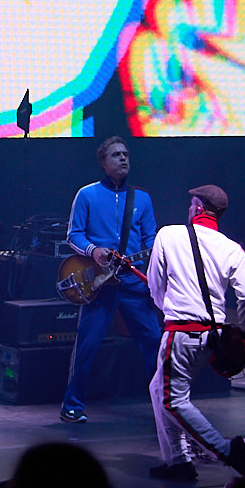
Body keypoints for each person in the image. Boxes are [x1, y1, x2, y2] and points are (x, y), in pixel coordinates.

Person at [145, 184, 245, 480]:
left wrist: (168, 308)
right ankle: (178, 461)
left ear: (196, 206)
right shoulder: (232, 248)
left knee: (173, 399)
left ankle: (225, 450)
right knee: (159, 390)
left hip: (180, 332)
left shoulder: (168, 235)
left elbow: (156, 285)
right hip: (213, 335)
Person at [59, 136, 162, 423]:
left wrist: (154, 257)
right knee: (87, 346)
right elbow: (74, 235)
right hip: (99, 285)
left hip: (132, 284)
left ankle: (166, 405)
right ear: (103, 163)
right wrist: (94, 251)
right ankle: (72, 406)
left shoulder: (142, 199)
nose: (124, 159)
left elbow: (152, 238)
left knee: (154, 342)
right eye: (116, 155)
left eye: (126, 154)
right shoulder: (87, 195)